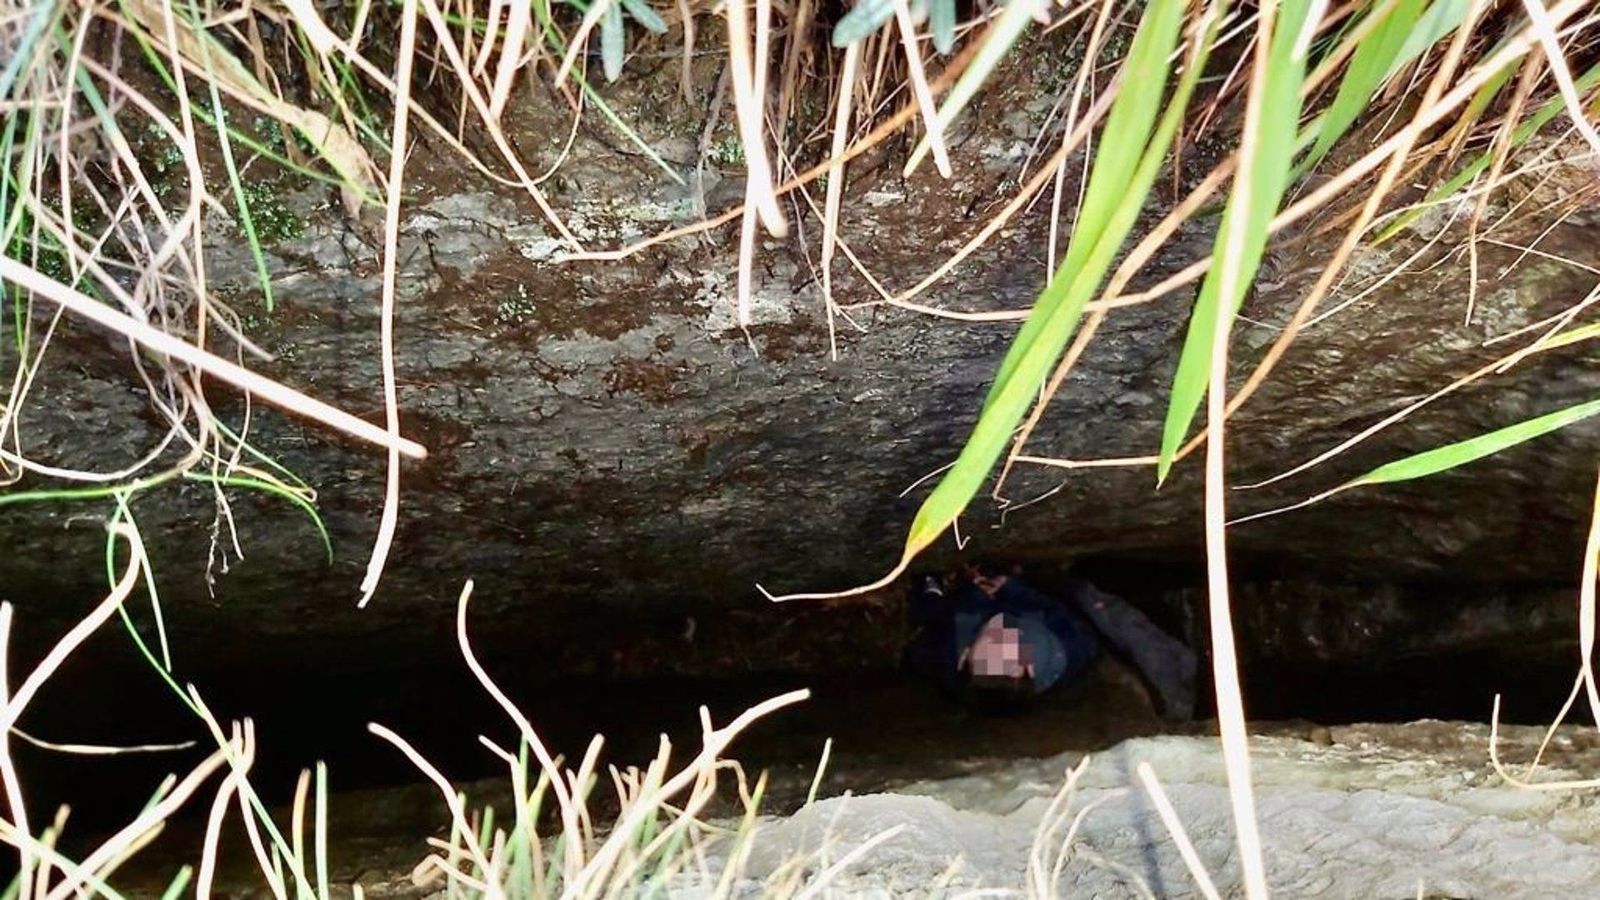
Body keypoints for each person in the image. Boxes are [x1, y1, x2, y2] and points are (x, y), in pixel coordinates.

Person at [902, 561, 1197, 719]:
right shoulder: (1066, 647)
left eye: (990, 643)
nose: (1003, 635)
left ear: (966, 656)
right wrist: (1012, 587)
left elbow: (949, 622)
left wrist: (975, 592)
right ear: (1026, 667)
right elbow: (1052, 607)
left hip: (959, 626)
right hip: (1047, 609)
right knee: (1079, 593)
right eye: (1012, 653)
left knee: (932, 618)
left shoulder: (950, 657)